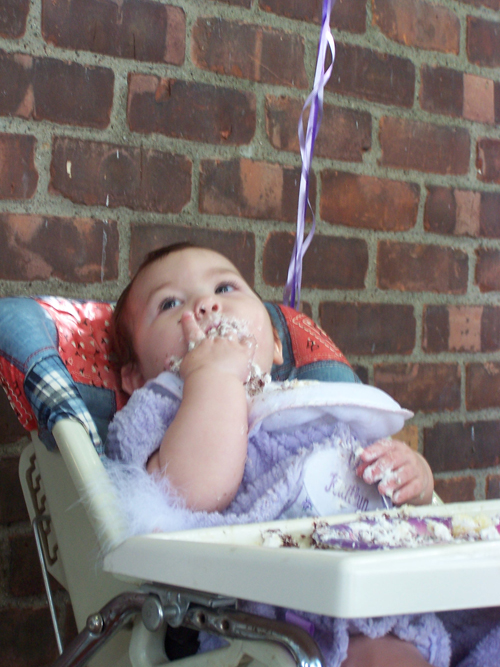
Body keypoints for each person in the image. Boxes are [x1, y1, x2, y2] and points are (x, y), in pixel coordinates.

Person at [106, 242, 449, 667]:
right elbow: (191, 493)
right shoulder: (158, 406)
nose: (207, 305)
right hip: (267, 622)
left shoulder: (305, 401)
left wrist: (412, 478)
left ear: (275, 350)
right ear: (135, 376)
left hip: (376, 593)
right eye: (170, 303)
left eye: (226, 288)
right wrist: (213, 375)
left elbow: (362, 478)